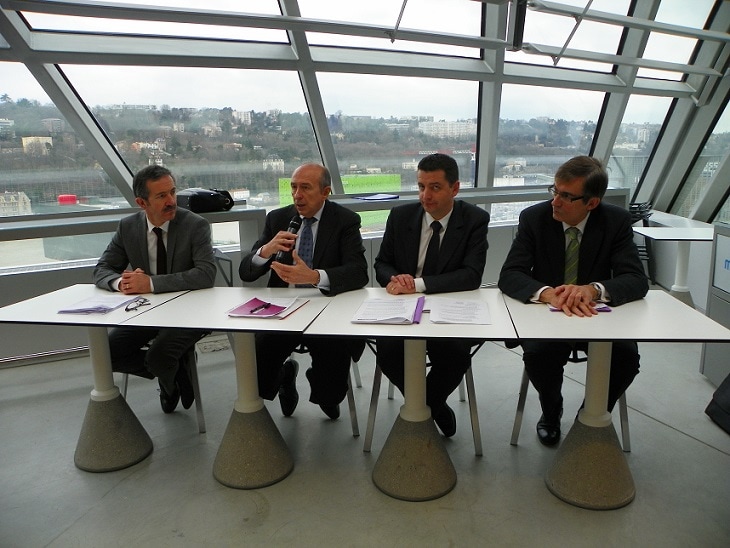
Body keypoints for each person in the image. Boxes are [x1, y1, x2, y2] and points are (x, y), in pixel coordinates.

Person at [498, 155, 648, 446]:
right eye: (554, 191)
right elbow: (510, 274)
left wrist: (591, 290)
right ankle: (551, 413)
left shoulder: (615, 221)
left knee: (626, 359)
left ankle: (588, 416)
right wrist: (549, 293)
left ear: (592, 203)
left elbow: (636, 279)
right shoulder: (534, 218)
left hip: (597, 317)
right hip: (550, 317)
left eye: (566, 196)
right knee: (539, 355)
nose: (556, 201)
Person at [239, 163, 368, 420]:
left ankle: (323, 390)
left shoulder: (345, 221)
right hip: (283, 311)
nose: (297, 195)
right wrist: (265, 251)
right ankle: (284, 377)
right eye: (294, 187)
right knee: (257, 363)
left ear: (325, 192)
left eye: (305, 188)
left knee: (331, 382)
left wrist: (314, 276)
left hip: (326, 310)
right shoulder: (278, 218)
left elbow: (358, 272)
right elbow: (247, 273)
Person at [373, 153, 490, 437]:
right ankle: (433, 406)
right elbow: (381, 263)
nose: (426, 195)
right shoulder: (401, 216)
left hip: (450, 307)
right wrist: (395, 278)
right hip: (403, 307)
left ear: (455, 188)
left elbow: (472, 275)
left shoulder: (474, 219)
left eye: (435, 187)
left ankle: (424, 406)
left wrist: (418, 284)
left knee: (456, 355)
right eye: (421, 186)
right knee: (387, 353)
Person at [93, 165, 216, 414]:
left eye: (172, 192)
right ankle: (174, 371)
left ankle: (168, 380)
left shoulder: (195, 225)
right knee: (105, 354)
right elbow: (102, 269)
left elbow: (206, 274)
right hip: (147, 312)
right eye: (162, 196)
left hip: (190, 311)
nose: (171, 201)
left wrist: (149, 283)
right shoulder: (128, 227)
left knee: (159, 355)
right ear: (141, 202)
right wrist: (123, 283)